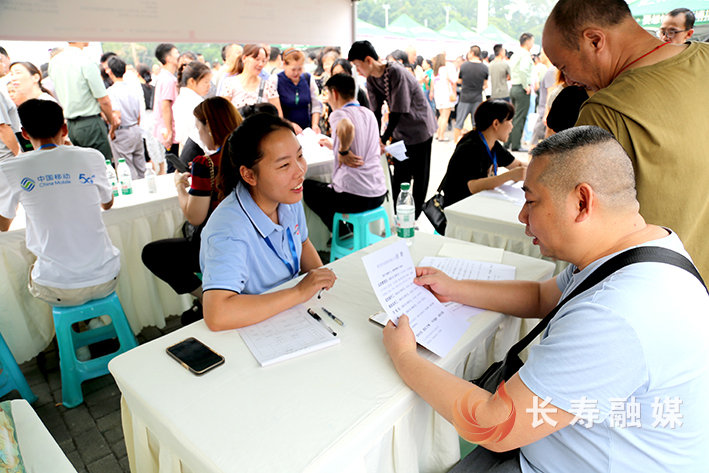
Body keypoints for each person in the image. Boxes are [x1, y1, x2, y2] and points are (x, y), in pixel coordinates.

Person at [383, 126, 709, 473]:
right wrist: (455, 287)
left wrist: (405, 357)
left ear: (582, 202)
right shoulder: (636, 249)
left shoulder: (618, 313)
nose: (522, 216)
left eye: (531, 201)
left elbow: (494, 425)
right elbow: (541, 296)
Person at [543, 0, 709, 280]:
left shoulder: (606, 110)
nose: (569, 81)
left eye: (564, 65)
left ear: (595, 40)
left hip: (644, 287)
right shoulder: (704, 57)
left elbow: (573, 223)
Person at [199, 113, 336, 331]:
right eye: (284, 166)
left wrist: (323, 285)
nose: (300, 172)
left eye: (299, 156)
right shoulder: (228, 228)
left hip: (291, 314)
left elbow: (302, 243)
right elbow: (217, 314)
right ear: (249, 175)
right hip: (250, 328)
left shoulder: (287, 198)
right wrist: (299, 292)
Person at [0, 99, 120, 306]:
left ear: (25, 133)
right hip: (107, 276)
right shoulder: (93, 157)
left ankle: (73, 329)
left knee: (26, 269)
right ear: (64, 129)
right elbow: (107, 204)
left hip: (57, 287)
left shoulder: (10, 168)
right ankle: (94, 322)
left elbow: (3, 225)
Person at [142, 97, 242, 325]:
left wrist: (180, 186)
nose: (200, 135)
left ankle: (205, 297)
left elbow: (195, 216)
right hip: (251, 238)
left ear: (210, 126)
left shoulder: (205, 164)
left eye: (199, 128)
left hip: (216, 245)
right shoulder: (250, 155)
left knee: (153, 254)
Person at [348, 40, 436, 220]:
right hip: (400, 133)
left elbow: (397, 110)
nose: (358, 71)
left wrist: (383, 138)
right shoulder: (372, 79)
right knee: (400, 174)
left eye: (358, 65)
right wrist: (374, 137)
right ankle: (398, 215)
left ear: (368, 60)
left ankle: (415, 217)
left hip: (419, 129)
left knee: (420, 175)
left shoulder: (396, 72)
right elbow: (375, 111)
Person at [303, 73, 387, 232]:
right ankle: (346, 230)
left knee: (308, 187)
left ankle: (341, 232)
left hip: (354, 198)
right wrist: (334, 145)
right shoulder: (368, 113)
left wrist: (343, 151)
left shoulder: (339, 114)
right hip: (378, 193)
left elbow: (347, 127)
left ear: (334, 93)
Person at [441, 100, 526, 209]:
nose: (512, 126)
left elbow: (517, 165)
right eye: (509, 121)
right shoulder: (469, 147)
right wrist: (509, 176)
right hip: (459, 208)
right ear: (496, 124)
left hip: (477, 203)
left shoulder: (493, 145)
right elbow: (473, 186)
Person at [48, 42, 115, 162]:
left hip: (70, 126)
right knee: (102, 165)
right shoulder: (86, 61)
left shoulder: (54, 62)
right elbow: (103, 100)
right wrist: (111, 121)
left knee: (82, 167)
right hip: (90, 124)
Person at [105, 57, 145, 179]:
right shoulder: (133, 88)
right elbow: (138, 113)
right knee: (141, 166)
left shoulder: (111, 91)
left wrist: (112, 132)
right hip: (135, 128)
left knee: (126, 168)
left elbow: (117, 115)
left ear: (110, 72)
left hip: (122, 131)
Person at [269, 48, 322, 134]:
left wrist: (315, 124)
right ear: (284, 64)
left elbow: (316, 104)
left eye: (300, 69)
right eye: (293, 69)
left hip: (307, 130)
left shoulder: (308, 79)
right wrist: (289, 124)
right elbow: (275, 111)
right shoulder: (275, 80)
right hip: (285, 130)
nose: (296, 73)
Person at [220, 44, 282, 116]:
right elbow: (222, 113)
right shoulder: (229, 83)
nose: (260, 64)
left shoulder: (268, 86)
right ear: (244, 58)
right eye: (257, 59)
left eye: (263, 61)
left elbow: (279, 116)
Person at [173, 61, 212, 165]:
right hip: (196, 152)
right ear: (192, 81)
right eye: (206, 82)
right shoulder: (197, 103)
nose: (209, 86)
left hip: (185, 151)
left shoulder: (180, 99)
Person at [152, 43, 180, 174]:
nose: (179, 56)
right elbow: (166, 107)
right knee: (174, 167)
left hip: (166, 130)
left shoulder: (164, 77)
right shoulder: (168, 80)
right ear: (169, 58)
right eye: (176, 53)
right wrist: (169, 132)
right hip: (171, 131)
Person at [505, 33, 535, 152]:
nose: (532, 44)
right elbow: (523, 70)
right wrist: (526, 85)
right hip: (521, 89)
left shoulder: (516, 54)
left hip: (514, 87)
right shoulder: (525, 55)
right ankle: (516, 145)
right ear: (527, 42)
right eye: (532, 41)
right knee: (520, 118)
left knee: (513, 117)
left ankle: (508, 142)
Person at [455, 46, 489, 143]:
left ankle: (455, 142)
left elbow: (459, 80)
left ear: (472, 53)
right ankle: (477, 143)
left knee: (459, 122)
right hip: (477, 98)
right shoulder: (484, 67)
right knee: (477, 123)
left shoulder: (464, 66)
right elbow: (485, 85)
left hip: (464, 97)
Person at [430, 53, 458, 142]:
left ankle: (438, 134)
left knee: (441, 116)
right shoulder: (446, 69)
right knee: (445, 116)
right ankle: (441, 135)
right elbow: (454, 80)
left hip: (438, 95)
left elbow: (432, 84)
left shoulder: (435, 71)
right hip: (446, 95)